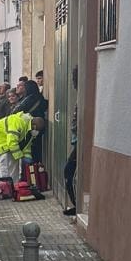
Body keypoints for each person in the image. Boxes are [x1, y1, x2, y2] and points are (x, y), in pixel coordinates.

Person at [0, 110, 45, 196]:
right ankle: (3, 190)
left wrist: (28, 159)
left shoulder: (28, 127)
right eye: (37, 130)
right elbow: (12, 142)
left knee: (11, 167)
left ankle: (12, 189)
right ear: (34, 126)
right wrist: (19, 157)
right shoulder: (18, 122)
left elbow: (26, 146)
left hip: (0, 141)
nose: (36, 132)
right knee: (3, 168)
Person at [62, 67, 79, 216]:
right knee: (70, 172)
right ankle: (76, 205)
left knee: (69, 171)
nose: (73, 83)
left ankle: (77, 205)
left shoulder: (83, 96)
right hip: (77, 141)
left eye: (74, 79)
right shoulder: (80, 96)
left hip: (80, 143)